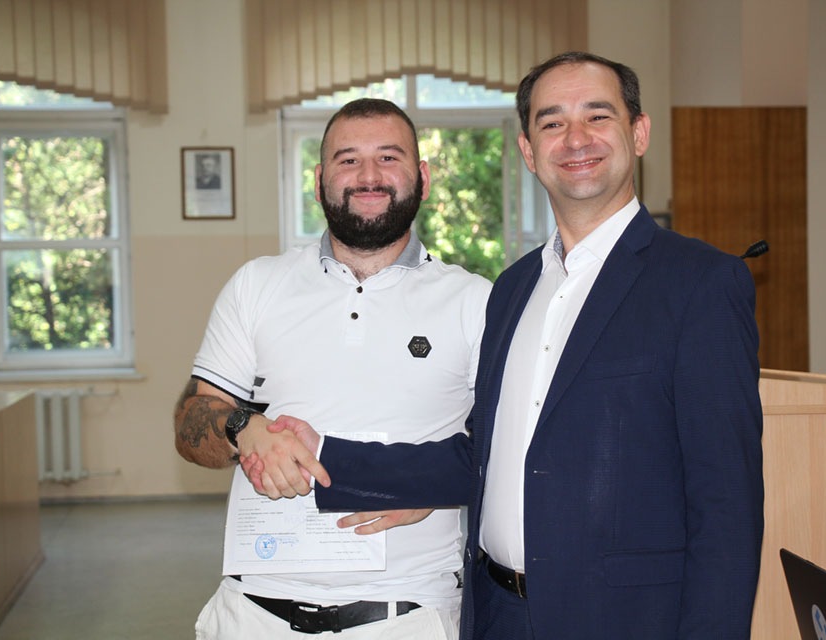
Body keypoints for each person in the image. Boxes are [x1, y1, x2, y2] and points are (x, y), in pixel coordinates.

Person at [250, 51, 765, 639]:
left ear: (639, 133)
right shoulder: (514, 288)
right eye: (552, 122)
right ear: (528, 150)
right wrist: (324, 452)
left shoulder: (699, 283)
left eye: (597, 116)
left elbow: (727, 503)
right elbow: (484, 453)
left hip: (623, 620)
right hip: (499, 614)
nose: (575, 138)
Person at [174, 98, 491, 639]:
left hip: (406, 618)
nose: (368, 176)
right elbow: (191, 425)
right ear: (319, 180)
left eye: (388, 157)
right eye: (348, 160)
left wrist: (434, 485)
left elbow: (509, 452)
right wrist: (242, 428)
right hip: (253, 614)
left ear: (422, 177)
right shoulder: (257, 284)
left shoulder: (475, 301)